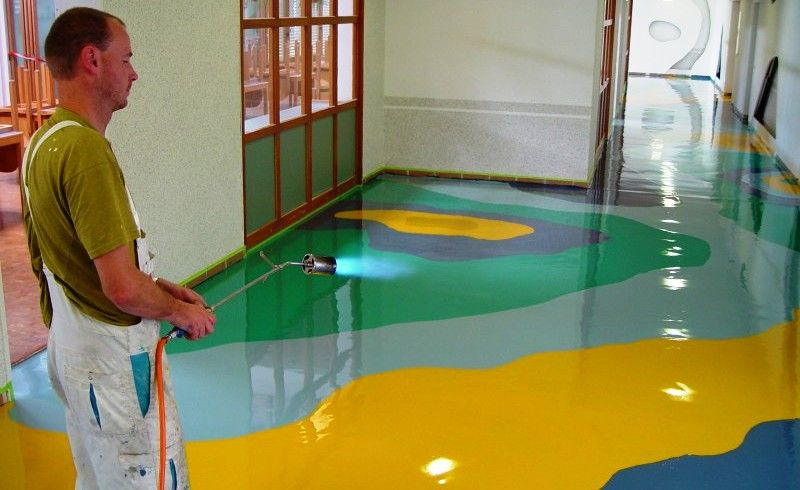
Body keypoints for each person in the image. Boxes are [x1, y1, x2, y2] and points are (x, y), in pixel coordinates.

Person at [20, 7, 215, 488]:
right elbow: (122, 289)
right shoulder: (86, 152)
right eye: (125, 59)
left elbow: (71, 262)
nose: (134, 73)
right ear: (92, 60)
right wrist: (181, 313)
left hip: (74, 354)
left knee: (99, 477)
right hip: (114, 368)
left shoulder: (43, 143)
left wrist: (163, 289)